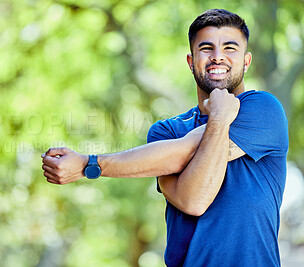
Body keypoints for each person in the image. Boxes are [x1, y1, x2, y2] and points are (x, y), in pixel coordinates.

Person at [41, 9, 288, 267]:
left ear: (246, 61)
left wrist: (86, 164)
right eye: (206, 48)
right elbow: (192, 199)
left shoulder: (264, 110)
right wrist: (219, 119)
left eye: (229, 48)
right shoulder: (165, 132)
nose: (217, 57)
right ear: (191, 62)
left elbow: (188, 173)